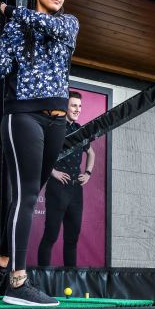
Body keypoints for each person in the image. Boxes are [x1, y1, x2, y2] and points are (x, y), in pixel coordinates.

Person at [0, 0, 79, 306]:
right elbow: (0, 68)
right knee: (27, 194)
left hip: (57, 120)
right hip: (23, 116)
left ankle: (1, 262)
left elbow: (45, 25)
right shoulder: (15, 28)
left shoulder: (68, 24)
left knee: (31, 193)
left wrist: (7, 9)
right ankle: (18, 281)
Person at [37, 91, 95, 267]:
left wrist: (88, 173)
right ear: (65, 106)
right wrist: (52, 172)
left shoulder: (80, 130)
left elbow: (91, 153)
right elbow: (39, 152)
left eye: (79, 106)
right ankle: (42, 279)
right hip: (57, 187)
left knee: (72, 237)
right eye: (74, 105)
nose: (77, 109)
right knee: (51, 234)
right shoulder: (53, 126)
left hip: (75, 190)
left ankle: (71, 279)